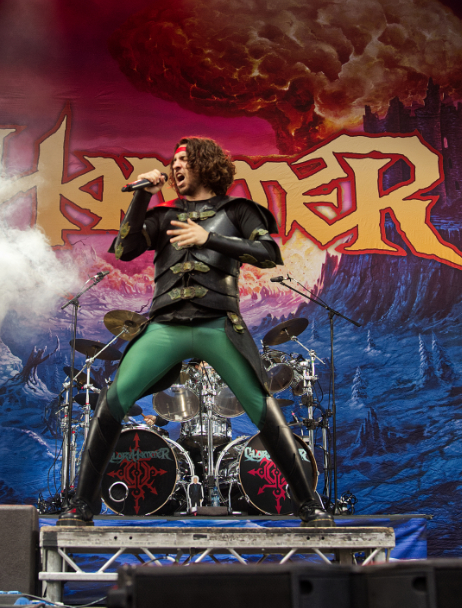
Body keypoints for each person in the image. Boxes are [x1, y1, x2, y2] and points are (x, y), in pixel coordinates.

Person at [58, 137, 332, 526]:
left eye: (184, 159)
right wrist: (142, 197)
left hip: (218, 324)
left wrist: (209, 238)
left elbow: (269, 254)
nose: (175, 166)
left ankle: (308, 504)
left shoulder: (238, 211)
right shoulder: (164, 214)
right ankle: (82, 505)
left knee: (262, 406)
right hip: (166, 325)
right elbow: (124, 249)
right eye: (173, 161)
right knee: (112, 400)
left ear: (205, 163)